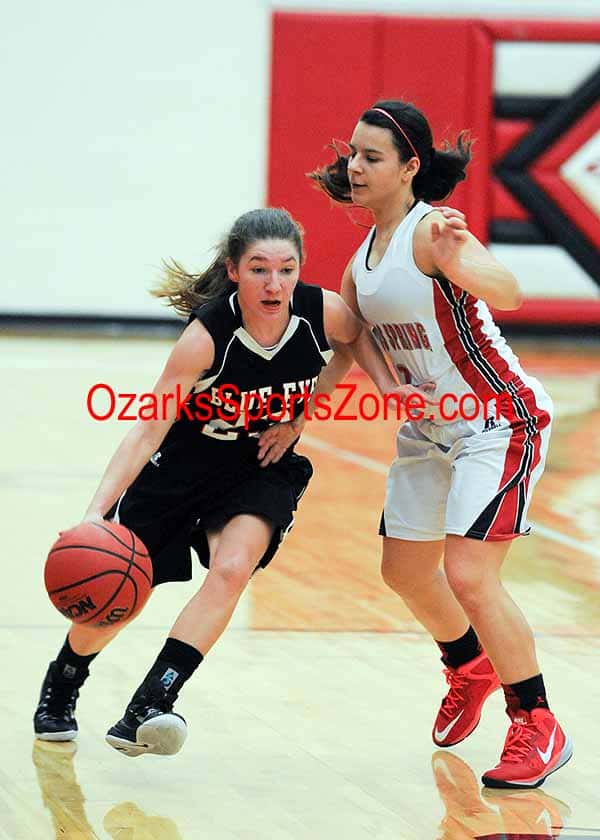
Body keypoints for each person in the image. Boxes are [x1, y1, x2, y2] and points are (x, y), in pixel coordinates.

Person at [33, 207, 394, 757]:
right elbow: (147, 430)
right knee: (121, 588)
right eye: (258, 269)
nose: (274, 284)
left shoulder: (320, 311)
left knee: (232, 568)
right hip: (181, 468)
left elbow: (353, 338)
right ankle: (64, 681)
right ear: (233, 270)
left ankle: (149, 704)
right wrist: (95, 514)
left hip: (257, 465)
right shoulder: (205, 338)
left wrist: (301, 417)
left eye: (286, 270)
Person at [309, 100, 572, 789]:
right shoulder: (362, 262)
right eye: (352, 154)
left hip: (498, 418)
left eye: (371, 156)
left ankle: (537, 722)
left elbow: (509, 292)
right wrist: (297, 414)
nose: (354, 166)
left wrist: (462, 261)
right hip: (431, 429)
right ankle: (469, 664)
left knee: (470, 576)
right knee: (404, 571)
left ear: (409, 167)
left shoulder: (432, 231)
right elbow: (349, 339)